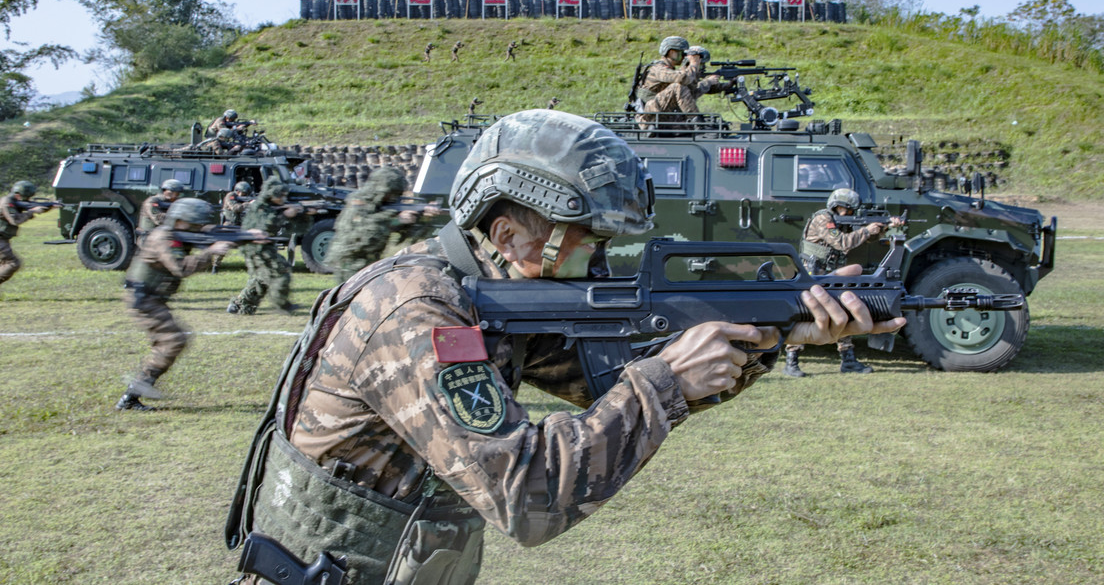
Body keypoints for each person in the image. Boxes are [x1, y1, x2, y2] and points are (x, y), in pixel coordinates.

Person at [225, 109, 904, 584]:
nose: (602, 255)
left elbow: (603, 384)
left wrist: (780, 329)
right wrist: (668, 379)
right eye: (589, 235)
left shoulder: (482, 295)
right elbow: (528, 496)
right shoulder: (418, 313)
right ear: (512, 232)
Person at [115, 198, 240, 411]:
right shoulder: (163, 237)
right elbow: (181, 268)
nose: (198, 228)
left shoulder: (177, 233)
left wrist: (245, 235)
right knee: (173, 341)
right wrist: (211, 251)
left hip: (150, 297)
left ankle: (133, 393)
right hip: (143, 298)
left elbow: (206, 231)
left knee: (170, 342)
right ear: (180, 221)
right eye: (194, 224)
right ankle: (132, 395)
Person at [783, 188, 905, 377]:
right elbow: (842, 243)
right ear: (839, 206)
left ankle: (848, 359)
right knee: (806, 313)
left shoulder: (840, 221)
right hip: (813, 272)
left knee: (843, 310)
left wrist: (885, 226)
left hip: (831, 272)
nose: (850, 214)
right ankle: (791, 361)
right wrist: (866, 230)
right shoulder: (823, 219)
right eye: (848, 210)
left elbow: (865, 238)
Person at [324, 166, 441, 284]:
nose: (392, 197)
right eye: (390, 193)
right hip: (350, 263)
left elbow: (409, 236)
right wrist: (396, 220)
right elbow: (361, 234)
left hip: (370, 262)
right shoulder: (359, 203)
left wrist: (423, 217)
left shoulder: (384, 208)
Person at [227, 180, 311, 315]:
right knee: (280, 271)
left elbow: (295, 227)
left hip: (264, 246)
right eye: (280, 196)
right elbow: (264, 225)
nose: (283, 199)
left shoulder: (273, 206)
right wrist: (285, 215)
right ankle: (282, 304)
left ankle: (239, 304)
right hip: (255, 247)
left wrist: (304, 214)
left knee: (262, 278)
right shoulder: (260, 207)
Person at [635, 36, 723, 131]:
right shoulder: (658, 69)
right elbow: (683, 78)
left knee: (682, 87)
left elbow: (690, 92)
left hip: (659, 113)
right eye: (681, 53)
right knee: (677, 86)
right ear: (671, 52)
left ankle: (695, 122)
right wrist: (693, 64)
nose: (684, 57)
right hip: (648, 117)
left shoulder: (668, 69)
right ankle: (697, 122)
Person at [0, 181, 54, 287]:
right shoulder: (7, 202)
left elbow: (28, 207)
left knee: (4, 263)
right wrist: (31, 212)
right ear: (18, 195)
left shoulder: (13, 201)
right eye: (26, 197)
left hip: (3, 238)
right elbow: (15, 220)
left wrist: (49, 206)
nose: (28, 200)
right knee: (12, 263)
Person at [211, 181, 255, 273]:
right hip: (229, 225)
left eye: (245, 193)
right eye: (242, 193)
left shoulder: (242, 198)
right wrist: (248, 204)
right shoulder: (230, 196)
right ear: (237, 191)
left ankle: (251, 267)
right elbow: (235, 208)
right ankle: (215, 266)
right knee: (223, 246)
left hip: (241, 226)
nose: (242, 195)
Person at [137, 179, 184, 245]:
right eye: (176, 193)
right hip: (149, 239)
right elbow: (158, 219)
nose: (177, 196)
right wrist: (178, 218)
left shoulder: (173, 202)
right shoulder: (152, 201)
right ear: (168, 192)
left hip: (163, 237)